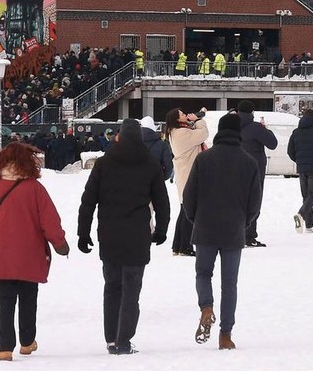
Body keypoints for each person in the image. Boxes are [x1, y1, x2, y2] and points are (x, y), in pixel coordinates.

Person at [0, 141, 69, 361]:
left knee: (4, 302)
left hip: (1, 255)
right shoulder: (35, 189)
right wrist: (60, 244)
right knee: (28, 298)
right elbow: (50, 221)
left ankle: (5, 348)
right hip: (30, 255)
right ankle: (27, 342)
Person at [78, 118, 171, 355]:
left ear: (119, 137)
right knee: (131, 290)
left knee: (112, 287)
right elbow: (162, 202)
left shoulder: (104, 163)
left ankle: (111, 338)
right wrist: (161, 229)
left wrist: (83, 232)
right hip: (137, 236)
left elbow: (89, 200)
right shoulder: (150, 164)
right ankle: (124, 340)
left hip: (109, 235)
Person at [184, 112, 256, 351]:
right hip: (233, 230)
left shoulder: (204, 159)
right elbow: (255, 203)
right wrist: (243, 223)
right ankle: (226, 334)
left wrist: (195, 219)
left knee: (203, 274)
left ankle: (206, 306)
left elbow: (189, 195)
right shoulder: (249, 162)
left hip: (205, 227)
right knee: (230, 283)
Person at [165, 108, 209, 257]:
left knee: (184, 211)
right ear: (177, 120)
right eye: (183, 114)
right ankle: (185, 246)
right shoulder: (181, 133)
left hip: (185, 173)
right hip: (188, 174)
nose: (186, 115)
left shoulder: (177, 131)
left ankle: (178, 245)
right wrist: (198, 120)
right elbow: (203, 134)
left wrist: (195, 118)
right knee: (189, 211)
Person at [234, 106, 279, 247]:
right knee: (254, 201)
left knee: (237, 202)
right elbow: (273, 144)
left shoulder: (232, 125)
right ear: (252, 113)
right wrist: (265, 129)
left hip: (235, 168)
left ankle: (236, 233)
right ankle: (249, 235)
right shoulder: (256, 127)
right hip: (255, 169)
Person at [287, 109, 313, 233]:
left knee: (306, 195)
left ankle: (309, 225)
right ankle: (301, 214)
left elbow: (290, 151)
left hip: (301, 168)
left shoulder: (296, 132)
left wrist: (299, 160)